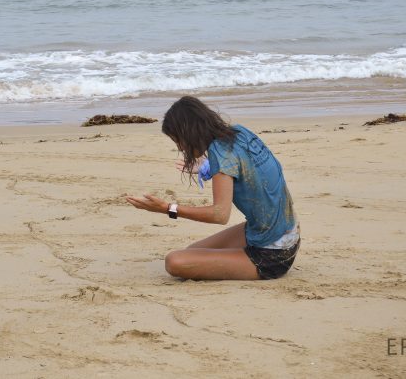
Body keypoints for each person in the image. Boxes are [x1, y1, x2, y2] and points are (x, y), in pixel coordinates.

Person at [126, 96, 300, 281]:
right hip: (287, 232)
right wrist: (209, 168)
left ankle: (248, 261)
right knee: (192, 252)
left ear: (188, 133)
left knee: (175, 262)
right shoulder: (239, 133)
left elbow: (220, 215)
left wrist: (168, 209)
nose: (179, 147)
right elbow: (250, 168)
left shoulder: (221, 155)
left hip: (273, 255)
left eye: (178, 140)